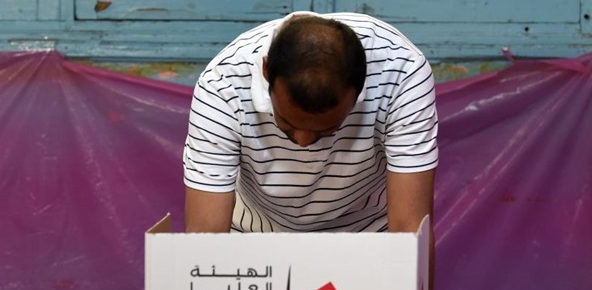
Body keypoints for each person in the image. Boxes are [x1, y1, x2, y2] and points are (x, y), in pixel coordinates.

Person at [183, 11, 438, 234]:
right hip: (254, 234)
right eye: (286, 122)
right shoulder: (223, 85)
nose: (303, 142)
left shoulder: (401, 72)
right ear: (266, 70)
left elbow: (410, 230)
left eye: (327, 130)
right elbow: (206, 236)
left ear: (361, 89)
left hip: (367, 233)